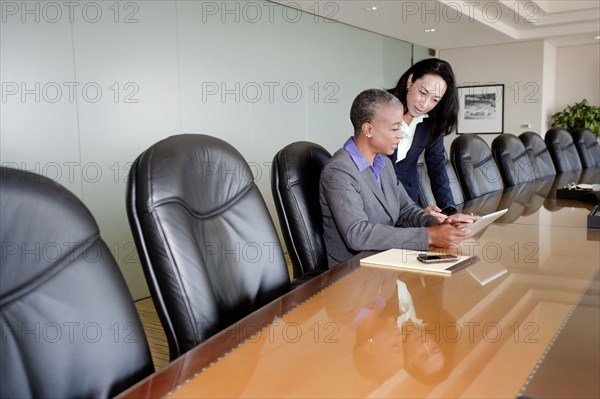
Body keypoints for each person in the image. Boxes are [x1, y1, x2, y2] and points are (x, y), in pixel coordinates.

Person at [319, 88, 478, 267]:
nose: (401, 134)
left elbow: (405, 209)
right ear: (368, 129)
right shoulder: (339, 171)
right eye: (395, 128)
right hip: (354, 272)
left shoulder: (384, 163)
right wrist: (430, 235)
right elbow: (357, 234)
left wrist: (439, 222)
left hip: (385, 259)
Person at [388, 58, 459, 219]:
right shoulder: (382, 108)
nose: (424, 104)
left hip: (410, 204)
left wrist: (448, 210)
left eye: (435, 99)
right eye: (422, 93)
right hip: (378, 206)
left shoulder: (431, 122)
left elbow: (437, 166)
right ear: (410, 80)